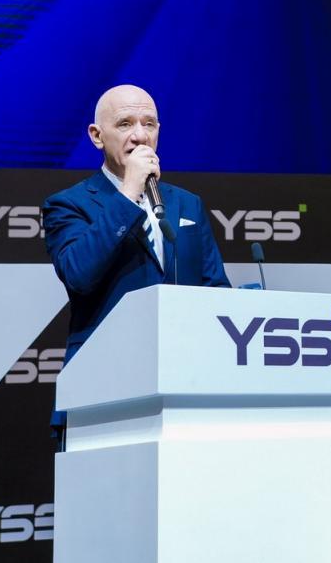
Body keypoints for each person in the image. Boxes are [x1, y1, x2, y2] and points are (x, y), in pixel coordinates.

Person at [42, 84, 230, 443]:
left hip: (184, 386)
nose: (140, 136)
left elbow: (216, 290)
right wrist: (129, 192)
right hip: (102, 387)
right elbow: (79, 275)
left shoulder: (187, 204)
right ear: (97, 136)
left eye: (149, 124)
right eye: (125, 123)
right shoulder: (68, 204)